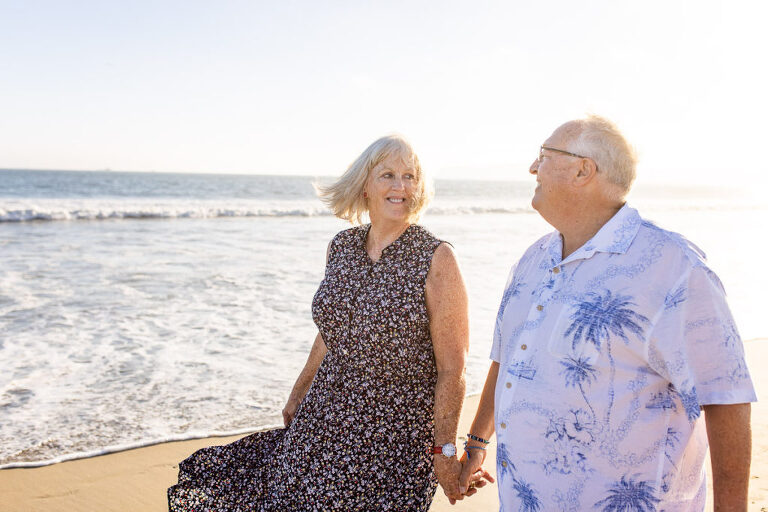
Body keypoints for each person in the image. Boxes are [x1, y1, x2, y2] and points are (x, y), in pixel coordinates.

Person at [168, 134, 487, 510]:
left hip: (391, 440)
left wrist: (444, 452)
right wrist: (299, 388)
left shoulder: (436, 258)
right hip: (323, 419)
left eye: (410, 176)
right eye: (387, 175)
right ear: (365, 184)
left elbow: (454, 368)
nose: (400, 186)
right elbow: (334, 326)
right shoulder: (342, 246)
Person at [458, 115, 756, 510]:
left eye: (544, 155)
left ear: (583, 169)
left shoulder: (673, 267)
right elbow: (509, 356)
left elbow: (726, 396)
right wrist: (477, 443)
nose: (533, 167)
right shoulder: (533, 259)